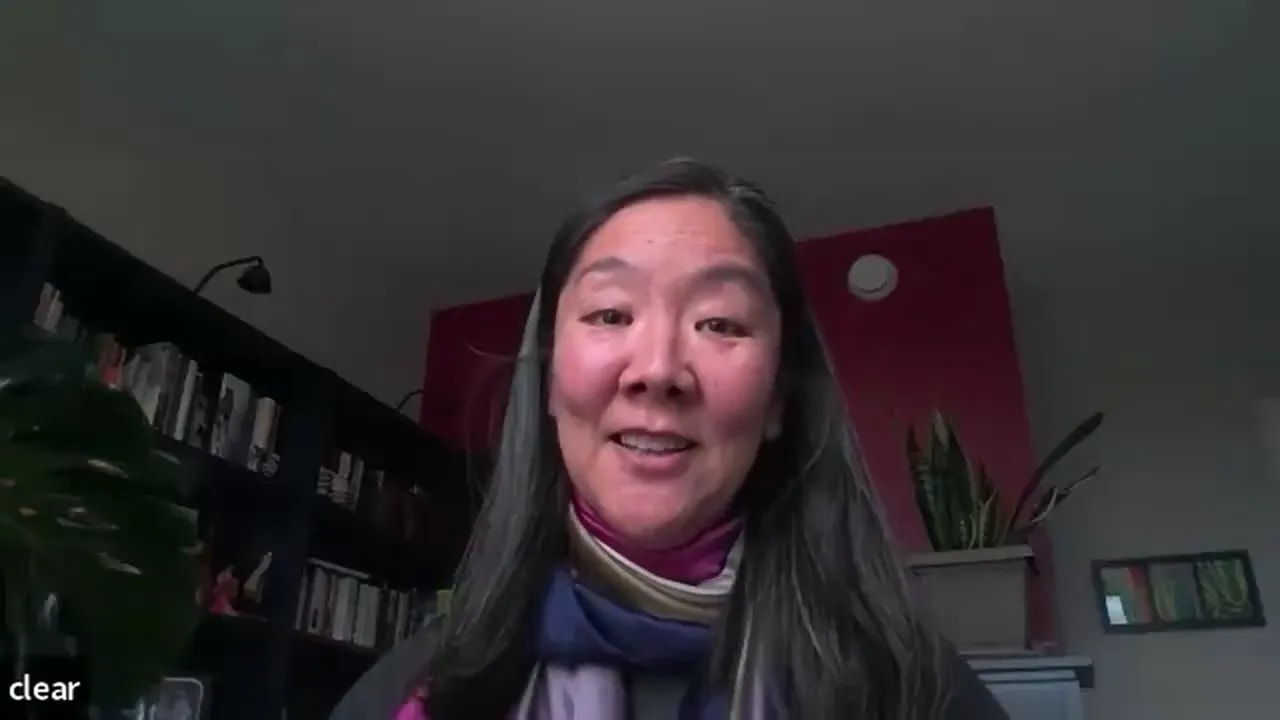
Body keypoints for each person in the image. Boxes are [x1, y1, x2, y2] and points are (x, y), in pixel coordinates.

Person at [331, 159, 1010, 719]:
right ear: (548, 381)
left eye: (719, 323)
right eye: (609, 312)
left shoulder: (914, 692)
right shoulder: (414, 695)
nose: (657, 370)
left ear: (778, 399)